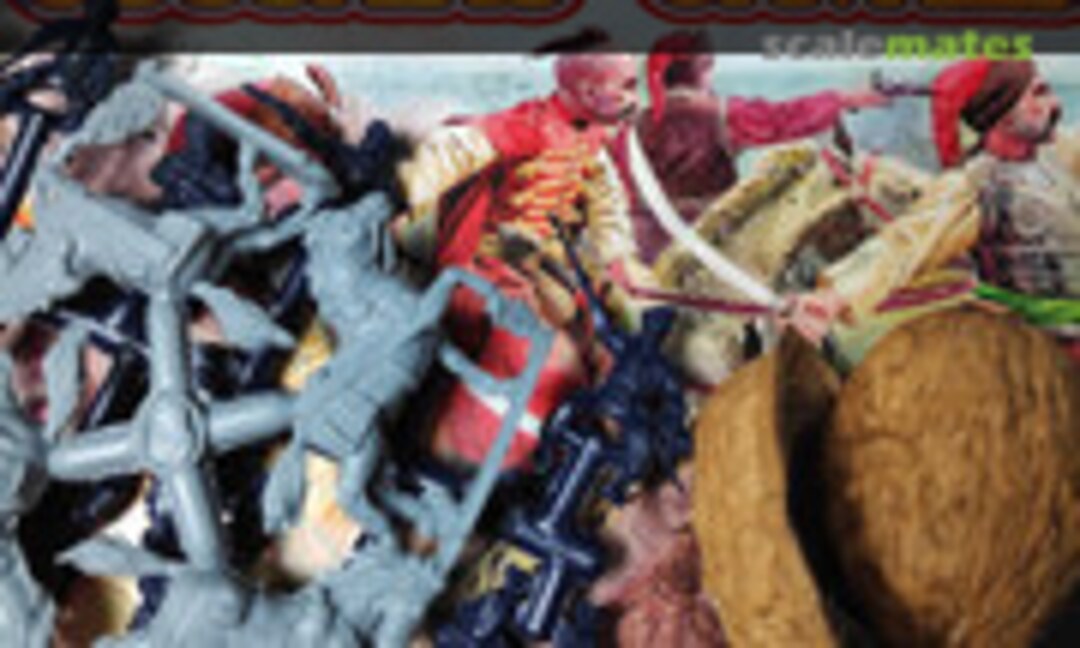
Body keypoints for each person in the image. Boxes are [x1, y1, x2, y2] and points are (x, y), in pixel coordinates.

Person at [395, 52, 656, 468]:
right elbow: (450, 154)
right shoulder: (524, 126)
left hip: (546, 267)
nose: (634, 98)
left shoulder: (594, 142)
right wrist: (399, 196)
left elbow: (606, 206)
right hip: (488, 265)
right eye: (624, 87)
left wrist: (618, 258)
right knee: (546, 350)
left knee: (613, 334)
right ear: (588, 92)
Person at [811, 58, 1080, 359]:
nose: (1055, 104)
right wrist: (834, 298)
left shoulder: (1058, 155)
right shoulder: (973, 186)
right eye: (1039, 94)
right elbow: (904, 243)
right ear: (1004, 115)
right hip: (1041, 340)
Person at [624, 31, 893, 263]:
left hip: (643, 247)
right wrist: (845, 99)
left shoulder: (635, 124)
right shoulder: (721, 114)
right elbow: (784, 118)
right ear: (701, 69)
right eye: (708, 66)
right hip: (707, 248)